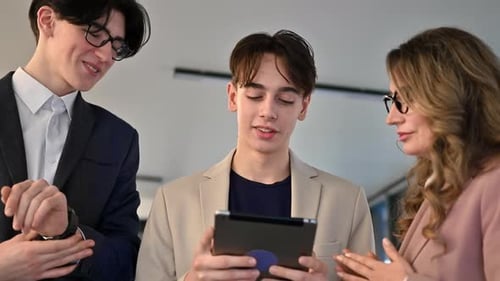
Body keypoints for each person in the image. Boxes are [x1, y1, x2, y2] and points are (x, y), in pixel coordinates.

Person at [136, 29, 374, 281]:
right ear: (232, 97)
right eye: (255, 95)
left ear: (303, 106)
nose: (267, 111)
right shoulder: (173, 202)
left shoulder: (347, 202)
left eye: (284, 99)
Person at [0, 0, 150, 280]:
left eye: (116, 46)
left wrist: (68, 231)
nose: (105, 55)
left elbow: (126, 262)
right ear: (47, 20)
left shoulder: (118, 140)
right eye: (95, 33)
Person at [334, 26, 500, 281]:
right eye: (392, 100)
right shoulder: (439, 188)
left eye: (405, 99)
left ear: (451, 96)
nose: (391, 118)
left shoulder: (494, 184)